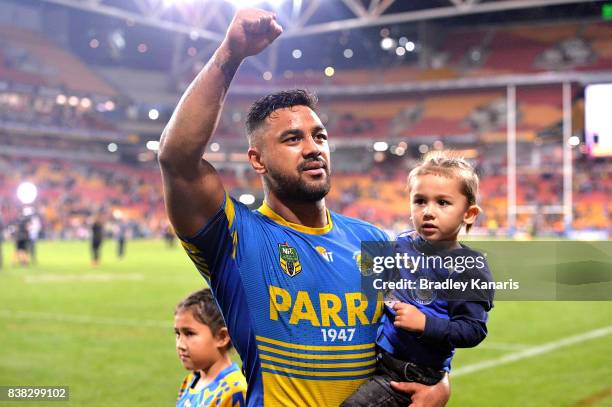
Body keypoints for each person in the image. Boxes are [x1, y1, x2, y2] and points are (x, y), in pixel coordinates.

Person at [159, 8, 450, 406]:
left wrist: (439, 382)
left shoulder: (374, 243)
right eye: (293, 139)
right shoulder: (235, 238)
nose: (313, 148)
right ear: (257, 160)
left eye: (320, 135)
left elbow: (415, 337)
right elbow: (177, 160)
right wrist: (230, 54)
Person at [342, 152, 493, 406]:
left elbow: (473, 329)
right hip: (378, 356)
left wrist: (425, 323)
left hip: (413, 373)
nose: (428, 212)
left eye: (443, 203)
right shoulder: (402, 243)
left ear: (469, 214)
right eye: (420, 201)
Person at [175, 288, 247, 407]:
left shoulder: (235, 392)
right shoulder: (191, 380)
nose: (180, 345)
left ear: (221, 337)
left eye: (189, 333)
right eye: (178, 334)